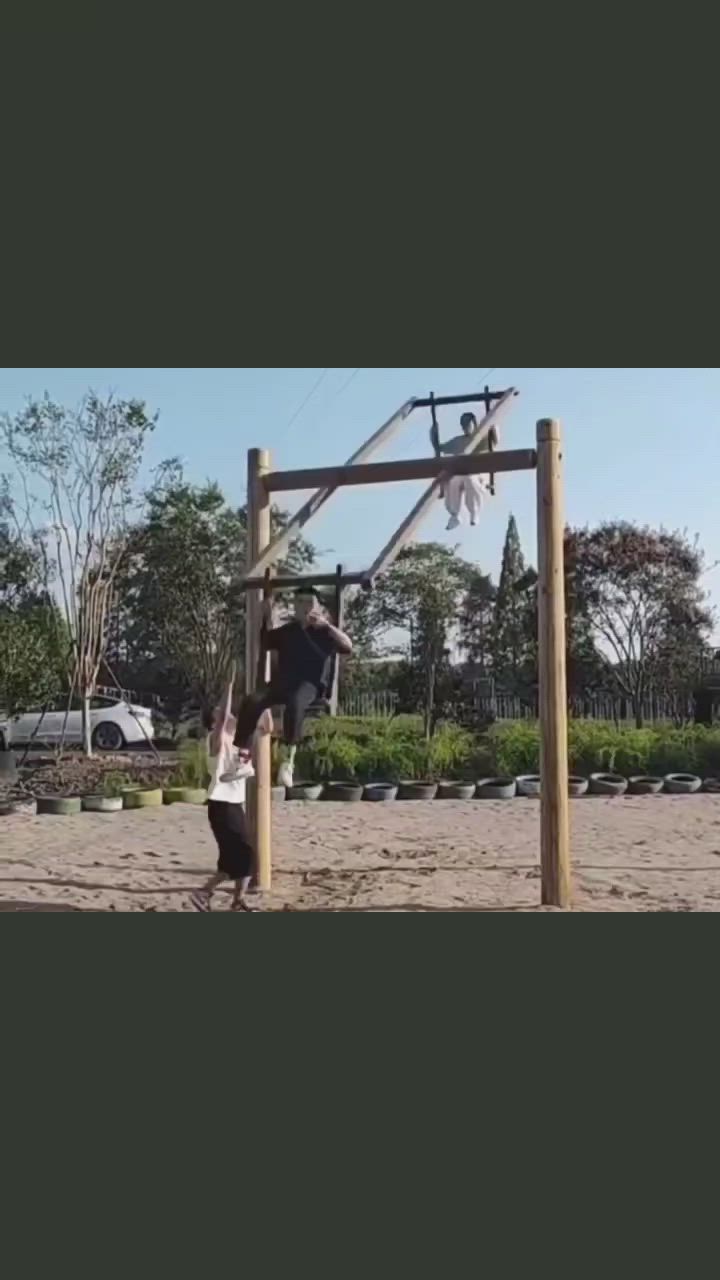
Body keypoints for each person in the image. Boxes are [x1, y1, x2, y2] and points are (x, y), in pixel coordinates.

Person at [233, 587, 353, 789]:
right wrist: (267, 615)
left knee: (295, 704)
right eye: (299, 602)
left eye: (308, 602)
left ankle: (288, 760)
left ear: (318, 607)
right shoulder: (289, 630)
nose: (303, 607)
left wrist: (327, 625)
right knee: (252, 700)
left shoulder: (325, 632)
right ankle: (243, 758)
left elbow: (348, 646)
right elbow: (266, 641)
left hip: (310, 684)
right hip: (283, 681)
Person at [190, 670, 272, 913]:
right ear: (214, 722)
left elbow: (266, 726)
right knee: (242, 856)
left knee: (238, 858)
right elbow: (224, 718)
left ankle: (236, 900)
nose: (227, 714)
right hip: (220, 804)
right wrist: (228, 686)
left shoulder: (239, 739)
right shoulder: (216, 741)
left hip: (234, 803)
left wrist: (266, 698)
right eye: (219, 713)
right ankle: (203, 893)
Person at [430, 407, 499, 531]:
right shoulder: (458, 441)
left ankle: (474, 512)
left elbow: (494, 440)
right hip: (460, 472)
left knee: (470, 479)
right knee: (452, 481)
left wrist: (493, 425)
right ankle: (454, 515)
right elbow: (440, 447)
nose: (465, 426)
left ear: (474, 423)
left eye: (467, 423)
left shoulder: (482, 438)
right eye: (463, 424)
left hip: (478, 474)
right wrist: (433, 434)